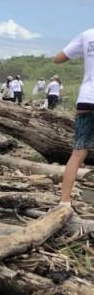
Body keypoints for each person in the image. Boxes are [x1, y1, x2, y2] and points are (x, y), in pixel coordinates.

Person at [55, 28, 94, 206]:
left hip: (86, 99)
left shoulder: (87, 35)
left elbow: (59, 58)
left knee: (78, 153)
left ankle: (64, 202)